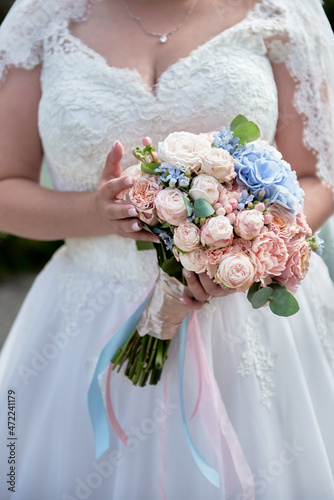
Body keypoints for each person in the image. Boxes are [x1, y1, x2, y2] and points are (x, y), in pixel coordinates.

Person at [1, 0, 334, 498]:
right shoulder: (41, 18)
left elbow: (318, 174)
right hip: (87, 311)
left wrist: (242, 246)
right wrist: (93, 215)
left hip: (246, 311)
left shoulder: (280, 13)